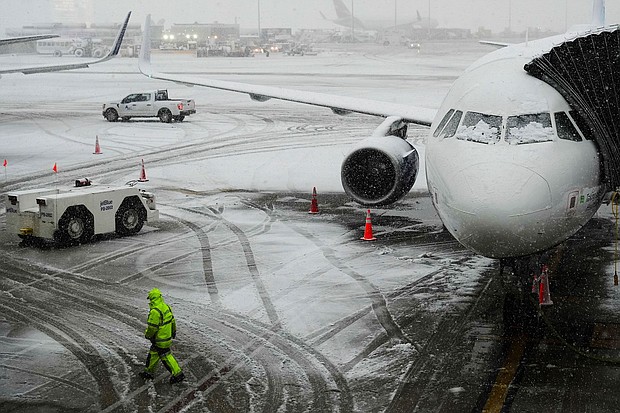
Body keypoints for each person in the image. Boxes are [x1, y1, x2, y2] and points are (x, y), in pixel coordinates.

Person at [140, 288, 185, 384]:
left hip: (159, 339)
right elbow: (172, 321)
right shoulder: (166, 307)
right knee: (153, 353)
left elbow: (152, 328)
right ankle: (148, 372)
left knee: (166, 356)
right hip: (166, 337)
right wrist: (173, 331)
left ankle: (178, 374)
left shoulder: (155, 312)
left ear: (152, 298)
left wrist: (148, 335)